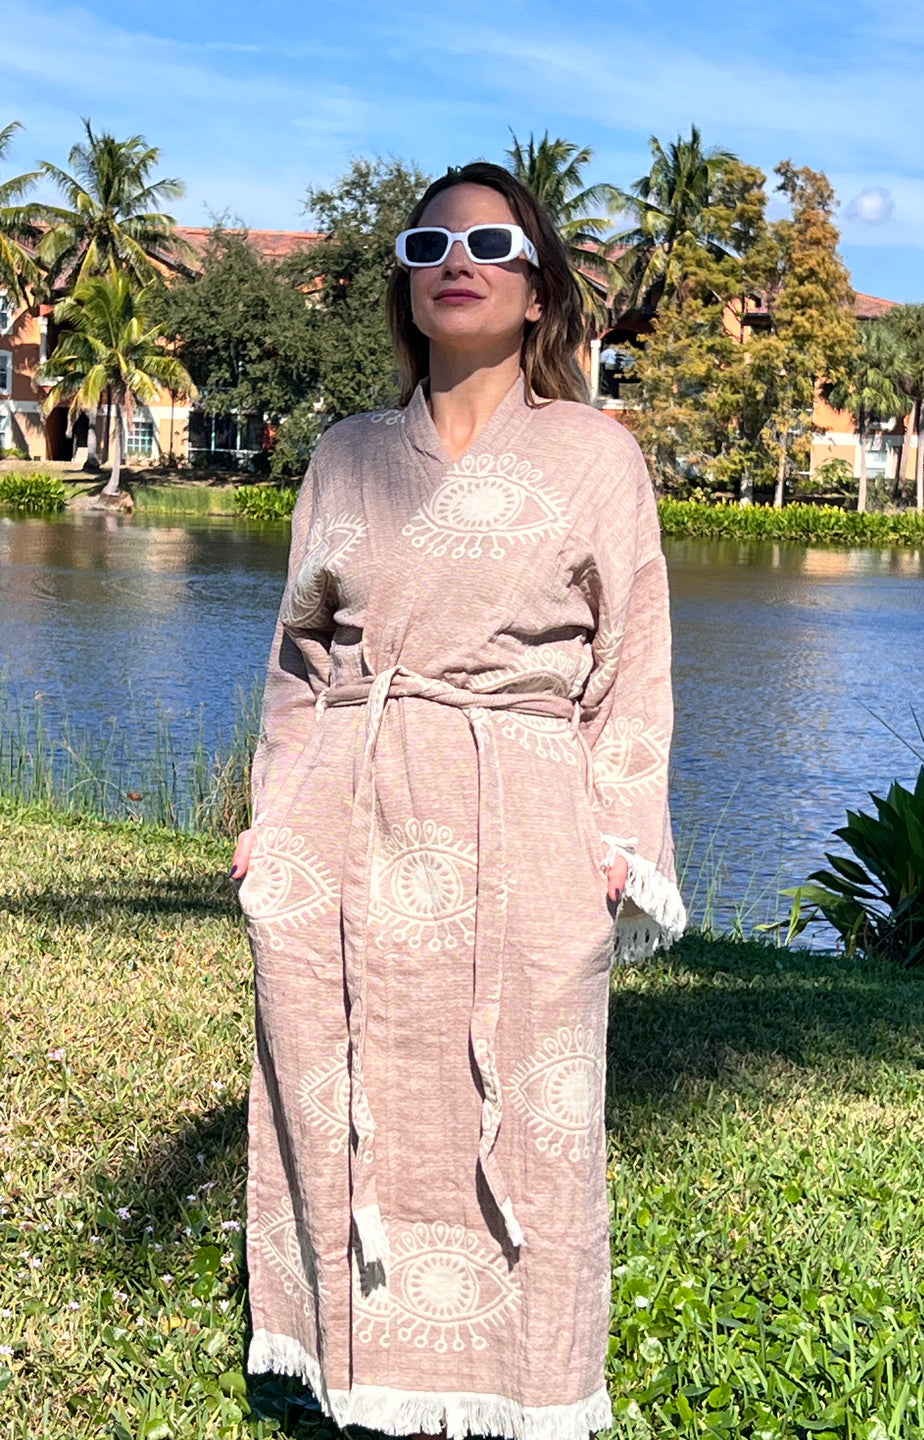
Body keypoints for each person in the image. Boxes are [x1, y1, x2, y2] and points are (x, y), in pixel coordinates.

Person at [231, 161, 685, 1440]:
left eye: (490, 240)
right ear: (406, 282)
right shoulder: (347, 456)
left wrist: (618, 843)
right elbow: (296, 662)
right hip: (350, 792)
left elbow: (634, 665)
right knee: (339, 1072)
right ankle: (355, 1363)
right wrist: (273, 823)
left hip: (523, 807)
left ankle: (524, 1385)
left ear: (537, 286)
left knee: (531, 1112)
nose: (457, 259)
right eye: (428, 241)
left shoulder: (598, 456)